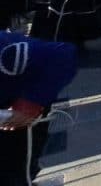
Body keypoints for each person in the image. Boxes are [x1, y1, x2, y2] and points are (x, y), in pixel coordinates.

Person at [0, 30, 78, 185]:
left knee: (13, 172)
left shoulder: (7, 53)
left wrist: (31, 102)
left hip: (19, 113)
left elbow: (63, 56)